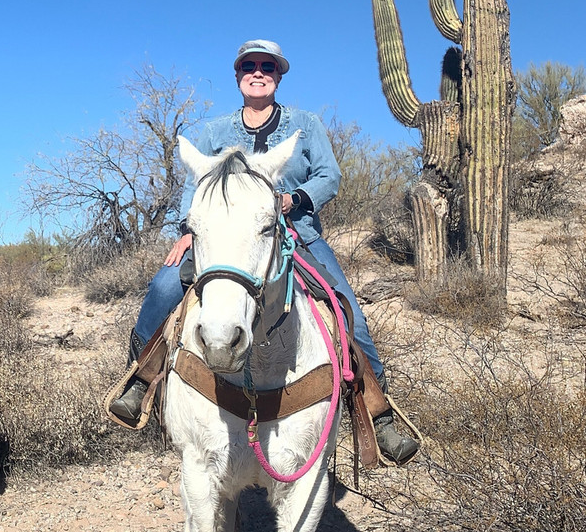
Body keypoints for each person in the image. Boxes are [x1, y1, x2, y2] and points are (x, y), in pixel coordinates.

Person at [109, 39, 419, 464]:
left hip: (296, 233)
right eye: (249, 66)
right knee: (165, 285)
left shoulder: (305, 125)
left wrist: (294, 199)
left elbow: (329, 175)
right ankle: (140, 380)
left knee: (346, 307)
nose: (258, 72)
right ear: (238, 75)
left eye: (267, 66)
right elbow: (192, 188)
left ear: (278, 75)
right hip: (224, 239)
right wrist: (187, 230)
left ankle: (377, 410)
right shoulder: (216, 132)